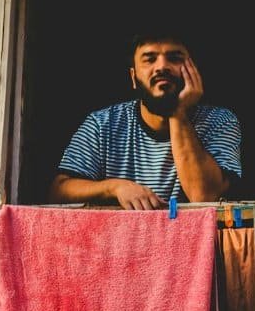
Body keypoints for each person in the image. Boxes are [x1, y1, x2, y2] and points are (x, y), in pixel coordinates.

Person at [47, 32, 242, 209]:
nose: (162, 66)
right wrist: (115, 187)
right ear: (133, 77)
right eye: (149, 59)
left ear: (194, 70)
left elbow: (204, 195)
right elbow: (59, 192)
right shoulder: (103, 123)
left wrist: (177, 112)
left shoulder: (220, 121)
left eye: (174, 58)